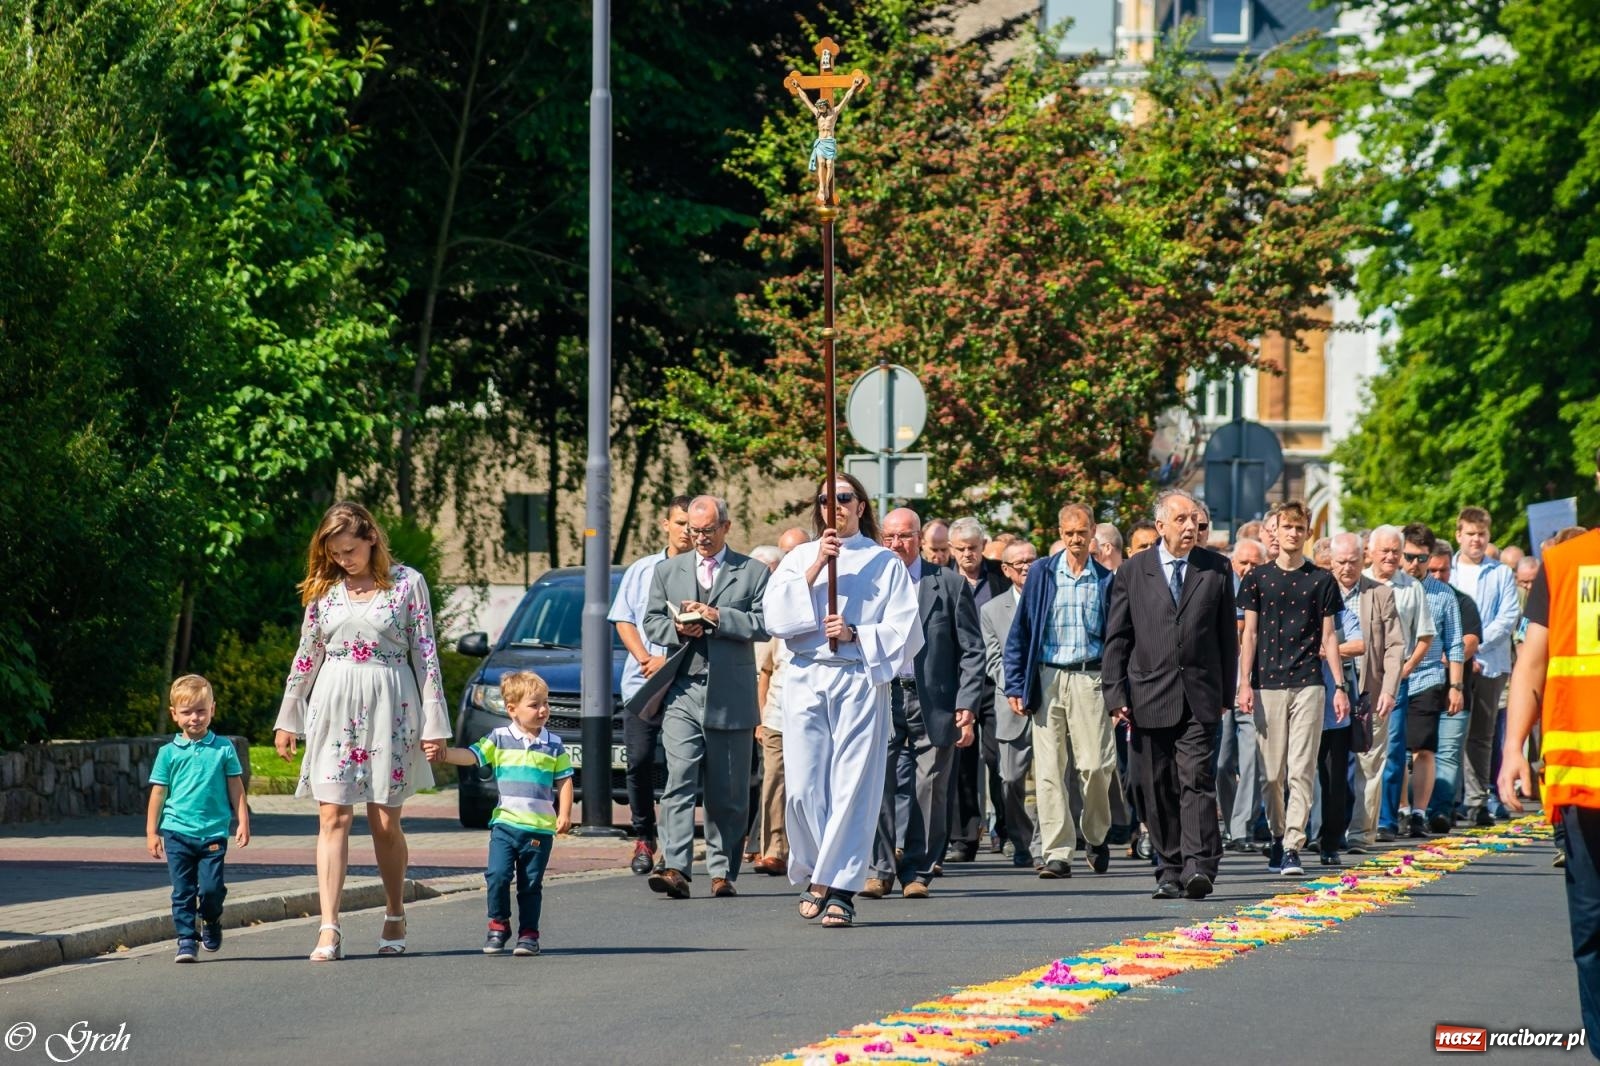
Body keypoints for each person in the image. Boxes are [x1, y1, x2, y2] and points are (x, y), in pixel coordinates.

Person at [274, 501, 450, 962]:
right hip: (333, 705)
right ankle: (328, 926)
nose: (342, 560)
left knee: (384, 822)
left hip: (391, 704)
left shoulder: (408, 583)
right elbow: (308, 652)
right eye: (334, 553)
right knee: (332, 816)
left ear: (371, 538)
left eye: (349, 550)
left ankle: (395, 911)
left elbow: (426, 654)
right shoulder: (324, 587)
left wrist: (435, 724)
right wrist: (288, 717)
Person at [762, 474, 923, 928]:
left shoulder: (883, 562)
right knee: (803, 787)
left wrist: (855, 633)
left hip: (857, 676)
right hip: (806, 675)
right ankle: (819, 868)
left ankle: (840, 888)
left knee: (852, 785)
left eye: (844, 498)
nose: (835, 505)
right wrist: (816, 566)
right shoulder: (799, 557)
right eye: (825, 499)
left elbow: (906, 631)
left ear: (860, 506)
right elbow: (774, 616)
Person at [1498, 483, 1599, 1049]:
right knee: (1592, 925)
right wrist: (1513, 747)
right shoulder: (1566, 563)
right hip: (1583, 780)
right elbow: (1531, 664)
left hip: (1583, 778)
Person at [1102, 489, 1237, 900]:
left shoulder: (1216, 568)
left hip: (1200, 695)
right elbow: (1118, 637)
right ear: (1161, 526)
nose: (1190, 526)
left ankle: (1199, 866)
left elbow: (1225, 637)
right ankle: (1169, 867)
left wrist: (1226, 693)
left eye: (1194, 519)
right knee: (1155, 785)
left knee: (1196, 780)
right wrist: (1115, 694)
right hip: (1148, 694)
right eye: (1181, 519)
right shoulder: (1133, 571)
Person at [641, 495, 769, 900]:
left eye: (708, 531)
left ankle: (722, 870)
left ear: (726, 527)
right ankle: (675, 866)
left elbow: (766, 623)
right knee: (679, 777)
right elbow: (651, 621)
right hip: (683, 689)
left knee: (727, 791)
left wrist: (718, 617)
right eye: (693, 530)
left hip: (732, 692)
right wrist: (678, 629)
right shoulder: (667, 570)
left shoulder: (753, 572)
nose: (699, 538)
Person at [863, 508, 984, 899]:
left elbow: (972, 649)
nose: (896, 544)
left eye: (904, 536)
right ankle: (879, 869)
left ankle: (917, 871)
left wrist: (967, 702)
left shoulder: (948, 584)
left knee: (929, 787)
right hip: (883, 694)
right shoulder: (871, 583)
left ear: (920, 539)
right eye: (889, 537)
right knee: (877, 783)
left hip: (934, 699)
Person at [1005, 502, 1121, 880]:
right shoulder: (1041, 573)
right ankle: (1057, 852)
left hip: (1091, 678)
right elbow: (1021, 631)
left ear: (1093, 533)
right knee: (1050, 770)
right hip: (1048, 678)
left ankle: (1096, 834)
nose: (1075, 539)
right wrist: (1015, 684)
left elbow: (1119, 640)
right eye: (1069, 533)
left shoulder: (1106, 580)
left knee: (1096, 766)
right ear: (1059, 533)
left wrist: (1119, 691)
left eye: (1081, 532)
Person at [1237, 500, 1348, 878]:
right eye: (1287, 527)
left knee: (1301, 768)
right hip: (1267, 683)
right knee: (1271, 775)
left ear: (1307, 533)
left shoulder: (1321, 580)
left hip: (1309, 683)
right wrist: (1244, 682)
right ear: (1276, 531)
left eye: (1300, 528)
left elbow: (1330, 637)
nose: (1293, 534)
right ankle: (1277, 832)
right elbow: (1249, 634)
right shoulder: (1257, 578)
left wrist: (1340, 686)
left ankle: (1292, 846)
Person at [429, 671, 572, 956]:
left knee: (530, 884)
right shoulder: (499, 738)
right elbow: (472, 755)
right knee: (497, 875)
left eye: (545, 703)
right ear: (512, 709)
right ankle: (498, 923)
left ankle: (529, 935)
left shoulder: (554, 744)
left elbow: (564, 780)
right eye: (534, 705)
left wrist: (565, 813)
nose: (543, 710)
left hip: (539, 829)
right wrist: (444, 754)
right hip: (505, 825)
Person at [609, 495, 694, 875]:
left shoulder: (703, 571)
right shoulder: (643, 570)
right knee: (639, 760)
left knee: (680, 765)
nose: (687, 531)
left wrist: (669, 660)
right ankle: (644, 835)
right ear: (666, 525)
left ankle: (675, 843)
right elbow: (623, 618)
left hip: (684, 683)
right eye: (680, 523)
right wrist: (645, 658)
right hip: (641, 682)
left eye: (692, 525)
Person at [146, 675, 250, 963]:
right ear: (174, 715)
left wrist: (242, 820)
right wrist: (152, 832)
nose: (195, 718)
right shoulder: (167, 753)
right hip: (176, 831)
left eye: (201, 711)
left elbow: (236, 787)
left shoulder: (223, 748)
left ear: (212, 710)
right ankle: (186, 939)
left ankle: (211, 919)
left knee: (211, 889)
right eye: (187, 712)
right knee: (183, 891)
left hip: (213, 832)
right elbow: (158, 794)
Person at [1322, 533, 1402, 864]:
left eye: (1353, 561)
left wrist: (1389, 689)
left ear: (1363, 558)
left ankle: (1359, 833)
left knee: (1368, 761)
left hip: (1368, 689)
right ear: (1331, 562)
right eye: (1341, 562)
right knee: (1328, 764)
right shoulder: (1320, 590)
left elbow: (1395, 645)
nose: (1347, 568)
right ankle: (1324, 829)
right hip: (1327, 690)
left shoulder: (1380, 594)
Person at [1451, 507, 1522, 825]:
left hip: (1490, 662)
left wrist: (1476, 646)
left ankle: (1478, 799)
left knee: (1482, 734)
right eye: (1470, 534)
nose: (1476, 540)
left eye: (1481, 534)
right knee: (1451, 732)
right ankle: (1449, 799)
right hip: (1454, 662)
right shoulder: (1449, 571)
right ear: (1459, 535)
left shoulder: (1501, 573)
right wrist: (1462, 652)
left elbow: (1508, 617)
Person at [946, 516, 1010, 862]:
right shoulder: (944, 580)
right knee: (962, 758)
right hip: (959, 681)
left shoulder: (1001, 576)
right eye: (960, 549)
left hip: (996, 680)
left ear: (984, 546)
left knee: (999, 757)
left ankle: (1006, 830)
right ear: (951, 550)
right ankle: (964, 838)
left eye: (973, 548)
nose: (967, 554)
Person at [981, 539, 1040, 867]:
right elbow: (994, 660)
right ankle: (1021, 840)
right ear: (1006, 570)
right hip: (1011, 704)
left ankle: (1045, 846)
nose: (1027, 567)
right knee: (1010, 780)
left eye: (1032, 560)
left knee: (1052, 780)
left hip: (1047, 703)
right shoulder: (991, 610)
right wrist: (1017, 688)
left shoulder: (1050, 599)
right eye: (1020, 563)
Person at [752, 537, 803, 875]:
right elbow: (765, 672)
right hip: (777, 714)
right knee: (774, 779)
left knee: (808, 784)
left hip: (813, 713)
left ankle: (808, 849)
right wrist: (760, 719)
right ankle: (773, 849)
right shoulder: (777, 613)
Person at [1218, 538, 1267, 853]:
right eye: (1243, 563)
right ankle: (1229, 821)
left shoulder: (1267, 592)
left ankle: (1241, 829)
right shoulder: (1222, 588)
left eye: (1254, 564)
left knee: (1251, 762)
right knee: (1221, 762)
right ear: (1233, 564)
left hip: (1254, 687)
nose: (1248, 569)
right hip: (1223, 687)